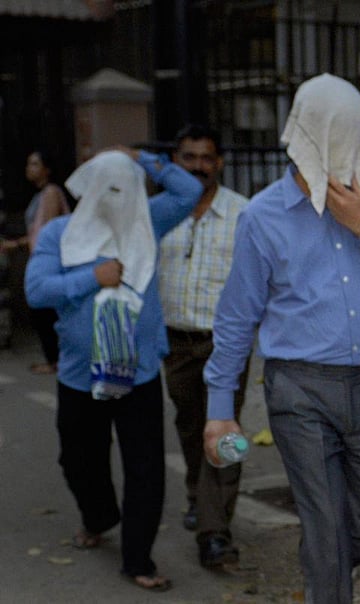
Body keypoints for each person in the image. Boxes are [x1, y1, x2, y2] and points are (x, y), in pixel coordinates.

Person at [202, 73, 360, 603]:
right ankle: (326, 575)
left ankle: (324, 567)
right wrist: (219, 409)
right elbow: (236, 317)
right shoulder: (261, 217)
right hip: (298, 390)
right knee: (324, 524)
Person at [25, 146, 202, 592]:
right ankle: (99, 516)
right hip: (78, 377)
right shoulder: (59, 235)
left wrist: (142, 157)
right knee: (79, 460)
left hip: (137, 373)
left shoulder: (147, 222)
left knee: (146, 467)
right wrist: (93, 277)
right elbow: (36, 289)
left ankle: (137, 558)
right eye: (110, 186)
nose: (119, 198)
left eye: (128, 188)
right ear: (90, 188)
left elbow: (190, 189)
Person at [157, 124, 251, 567]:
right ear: (175, 162)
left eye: (205, 158)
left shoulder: (242, 214)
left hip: (225, 346)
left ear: (220, 163)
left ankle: (216, 531)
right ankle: (200, 498)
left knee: (224, 430)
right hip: (173, 346)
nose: (197, 166)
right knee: (191, 428)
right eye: (188, 157)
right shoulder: (159, 214)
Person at [11, 149, 72, 373]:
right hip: (42, 258)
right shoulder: (41, 194)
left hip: (50, 261)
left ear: (47, 169)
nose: (30, 169)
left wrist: (21, 246)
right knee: (44, 311)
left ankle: (55, 360)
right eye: (29, 164)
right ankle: (54, 358)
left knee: (45, 310)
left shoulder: (51, 193)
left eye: (35, 164)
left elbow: (46, 230)